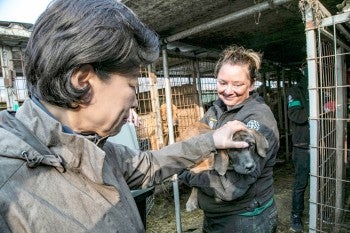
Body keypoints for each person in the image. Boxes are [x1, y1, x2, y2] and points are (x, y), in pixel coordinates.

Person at [0, 1, 250, 232]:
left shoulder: (95, 148)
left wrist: (211, 141)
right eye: (132, 85)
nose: (134, 101)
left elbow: (150, 164)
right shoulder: (9, 190)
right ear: (83, 81)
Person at [179, 45, 280, 233]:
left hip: (246, 219)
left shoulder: (258, 119)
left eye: (238, 84)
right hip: (216, 216)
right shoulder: (217, 109)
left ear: (251, 84)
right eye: (222, 82)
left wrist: (185, 174)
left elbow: (230, 186)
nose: (228, 90)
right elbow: (194, 144)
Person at [287, 71, 310, 233]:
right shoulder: (295, 91)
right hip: (303, 145)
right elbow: (296, 115)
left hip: (322, 144)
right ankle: (296, 215)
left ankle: (322, 209)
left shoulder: (323, 90)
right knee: (301, 183)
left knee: (322, 178)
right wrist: (320, 109)